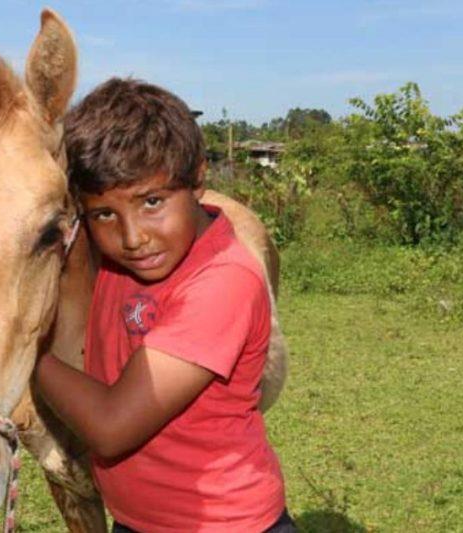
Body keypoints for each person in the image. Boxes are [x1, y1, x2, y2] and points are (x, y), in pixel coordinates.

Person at [34, 78, 294, 533]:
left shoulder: (223, 282)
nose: (133, 238)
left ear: (197, 179)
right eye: (105, 214)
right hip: (137, 521)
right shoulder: (117, 258)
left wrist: (21, 347)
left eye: (152, 202)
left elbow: (112, 427)